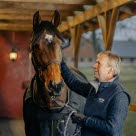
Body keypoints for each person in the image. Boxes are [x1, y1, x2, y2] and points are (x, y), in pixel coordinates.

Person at [61, 51, 130, 136]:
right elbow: (74, 83)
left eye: (99, 63)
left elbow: (112, 129)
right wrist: (60, 61)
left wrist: (84, 120)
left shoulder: (119, 95)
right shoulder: (95, 88)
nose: (94, 66)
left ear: (110, 70)